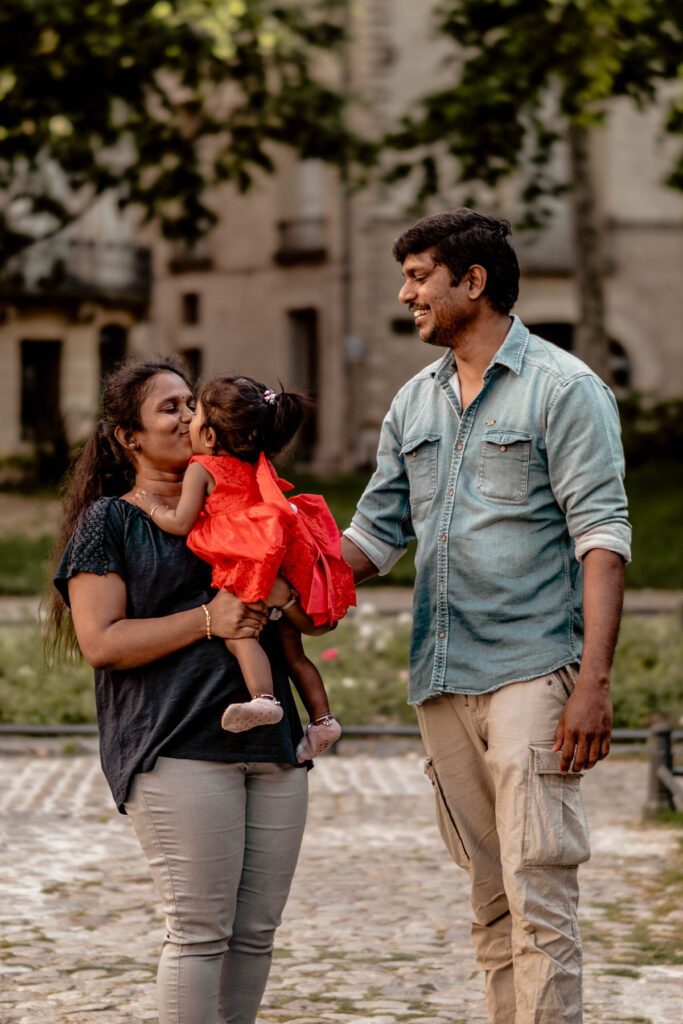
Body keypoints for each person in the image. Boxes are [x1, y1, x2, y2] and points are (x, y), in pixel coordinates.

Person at [341, 209, 631, 1024]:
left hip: (533, 670)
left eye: (419, 277)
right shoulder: (413, 402)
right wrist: (278, 578)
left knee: (538, 894)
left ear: (473, 282)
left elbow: (602, 541)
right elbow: (374, 534)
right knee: (491, 901)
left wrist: (592, 685)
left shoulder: (564, 389)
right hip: (441, 676)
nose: (405, 295)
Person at [49, 357, 326, 1024]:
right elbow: (101, 642)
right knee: (199, 934)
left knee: (255, 934)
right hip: (176, 744)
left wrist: (290, 589)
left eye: (190, 403)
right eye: (167, 407)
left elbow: (303, 603)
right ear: (129, 438)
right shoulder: (110, 523)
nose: (187, 416)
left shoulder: (253, 503)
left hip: (274, 743)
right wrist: (208, 620)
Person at [133, 373, 355, 758]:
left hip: (247, 560)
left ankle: (264, 699)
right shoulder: (257, 463)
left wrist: (150, 505)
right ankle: (323, 721)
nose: (189, 421)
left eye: (195, 413)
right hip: (278, 558)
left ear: (212, 436)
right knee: (294, 654)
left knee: (240, 635)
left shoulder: (202, 467)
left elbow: (182, 523)